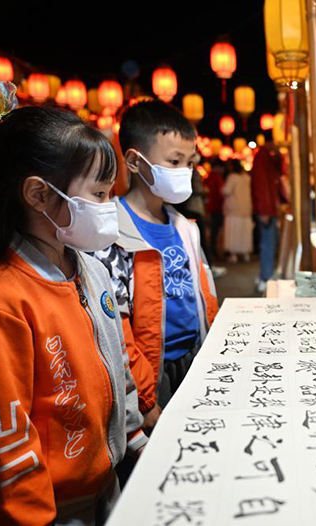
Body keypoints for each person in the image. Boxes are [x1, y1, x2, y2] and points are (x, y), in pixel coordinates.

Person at [0, 92, 146, 525]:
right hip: (51, 513)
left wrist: (134, 438)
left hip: (105, 489)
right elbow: (7, 446)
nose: (107, 207)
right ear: (38, 194)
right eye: (97, 193)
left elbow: (116, 362)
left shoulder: (89, 269)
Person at [93, 100, 219, 419]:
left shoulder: (185, 228)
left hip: (195, 357)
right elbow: (117, 330)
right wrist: (144, 398)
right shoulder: (112, 235)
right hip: (150, 370)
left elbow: (205, 296)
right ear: (135, 161)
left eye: (189, 163)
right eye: (174, 162)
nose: (185, 173)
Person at [175, 164, 227, 278]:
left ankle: (204, 268)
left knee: (199, 240)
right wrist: (204, 190)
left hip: (191, 209)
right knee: (199, 240)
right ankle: (206, 268)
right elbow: (196, 189)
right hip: (193, 209)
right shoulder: (192, 172)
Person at [250, 144, 286, 293]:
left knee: (268, 242)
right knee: (268, 244)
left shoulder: (265, 158)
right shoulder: (263, 158)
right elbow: (262, 185)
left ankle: (264, 276)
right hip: (267, 209)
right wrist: (265, 209)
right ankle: (266, 278)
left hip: (268, 208)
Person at [222, 159, 254, 263]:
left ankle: (233, 254)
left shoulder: (233, 178)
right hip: (246, 209)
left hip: (234, 209)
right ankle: (245, 254)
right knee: (244, 233)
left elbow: (226, 191)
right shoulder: (247, 178)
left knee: (233, 233)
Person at [204, 160, 226, 264]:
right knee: (215, 231)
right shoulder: (216, 178)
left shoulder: (209, 177)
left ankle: (213, 251)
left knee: (213, 230)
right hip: (216, 207)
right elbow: (219, 193)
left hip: (211, 207)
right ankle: (214, 251)